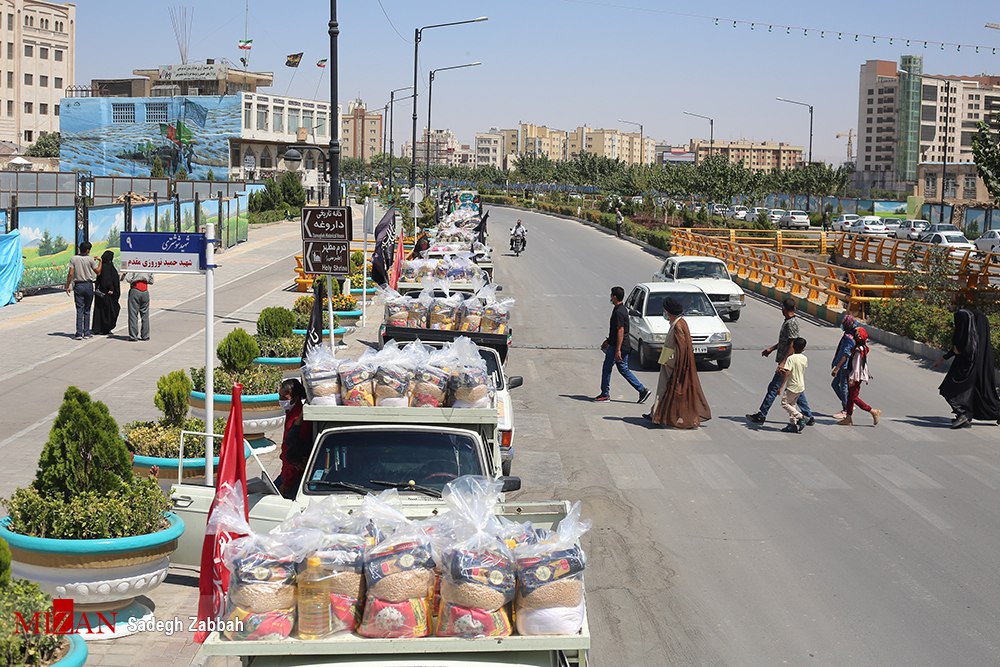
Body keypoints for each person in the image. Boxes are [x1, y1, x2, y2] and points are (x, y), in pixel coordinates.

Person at [644, 297, 711, 428]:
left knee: (667, 390)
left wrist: (673, 365)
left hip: (673, 364)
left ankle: (662, 416)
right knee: (663, 390)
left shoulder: (679, 326)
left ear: (669, 312)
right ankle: (655, 413)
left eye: (665, 311)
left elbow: (681, 349)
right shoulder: (676, 323)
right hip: (667, 362)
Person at [746, 298, 814, 425]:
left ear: (784, 308)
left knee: (774, 388)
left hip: (788, 362)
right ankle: (809, 416)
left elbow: (792, 344)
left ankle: (762, 414)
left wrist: (783, 362)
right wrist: (771, 349)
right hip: (787, 360)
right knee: (796, 390)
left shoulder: (792, 323)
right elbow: (785, 341)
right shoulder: (788, 321)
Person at [935, 305, 1000, 428]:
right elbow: (963, 343)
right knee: (980, 392)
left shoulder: (964, 316)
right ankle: (967, 415)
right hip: (974, 362)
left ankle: (963, 414)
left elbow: (960, 341)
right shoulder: (979, 344)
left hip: (968, 364)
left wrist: (955, 350)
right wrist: (945, 357)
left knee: (949, 388)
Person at [595, 286, 650, 404]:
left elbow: (620, 330)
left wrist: (617, 350)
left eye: (611, 295)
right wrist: (608, 341)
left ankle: (605, 394)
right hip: (619, 344)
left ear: (614, 297)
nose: (610, 297)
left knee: (607, 368)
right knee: (623, 369)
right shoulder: (621, 309)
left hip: (618, 346)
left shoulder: (619, 312)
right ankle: (642, 390)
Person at [837, 326, 880, 426]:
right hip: (859, 375)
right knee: (850, 398)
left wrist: (852, 379)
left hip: (856, 377)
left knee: (853, 398)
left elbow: (856, 366)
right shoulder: (863, 348)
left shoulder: (857, 351)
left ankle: (873, 411)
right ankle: (848, 418)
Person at [276, 378, 311, 499]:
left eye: (284, 398)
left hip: (292, 475)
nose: (280, 401)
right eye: (279, 396)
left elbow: (293, 453)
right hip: (287, 471)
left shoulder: (298, 419)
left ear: (295, 398)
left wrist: (287, 482)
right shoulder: (291, 413)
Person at [64, 241, 102, 340]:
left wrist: (67, 285)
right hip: (88, 285)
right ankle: (87, 333)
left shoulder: (73, 259)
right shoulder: (90, 259)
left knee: (79, 309)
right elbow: (98, 272)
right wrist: (100, 261)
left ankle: (79, 333)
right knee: (87, 309)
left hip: (78, 285)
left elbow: (71, 273)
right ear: (88, 250)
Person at [780, 338, 809, 433]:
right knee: (792, 404)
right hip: (800, 385)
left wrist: (781, 386)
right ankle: (793, 424)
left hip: (792, 385)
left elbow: (787, 373)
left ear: (792, 347)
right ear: (803, 348)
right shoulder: (804, 358)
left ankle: (802, 417)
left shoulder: (791, 358)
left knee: (784, 403)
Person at [831, 314, 857, 420]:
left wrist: (837, 368)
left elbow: (846, 354)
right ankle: (847, 404)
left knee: (843, 387)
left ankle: (846, 409)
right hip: (841, 366)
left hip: (844, 367)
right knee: (835, 385)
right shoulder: (848, 334)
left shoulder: (849, 338)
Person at [92, 250, 121, 336]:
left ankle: (98, 328)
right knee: (109, 311)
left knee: (99, 311)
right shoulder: (109, 268)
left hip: (100, 294)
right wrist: (111, 289)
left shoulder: (102, 267)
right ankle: (105, 328)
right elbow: (108, 280)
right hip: (107, 294)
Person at [121, 269, 153, 341]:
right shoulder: (148, 266)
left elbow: (128, 279)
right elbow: (151, 281)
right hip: (145, 291)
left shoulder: (134, 266)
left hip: (135, 290)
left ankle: (133, 336)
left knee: (133, 314)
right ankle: (145, 335)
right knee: (145, 315)